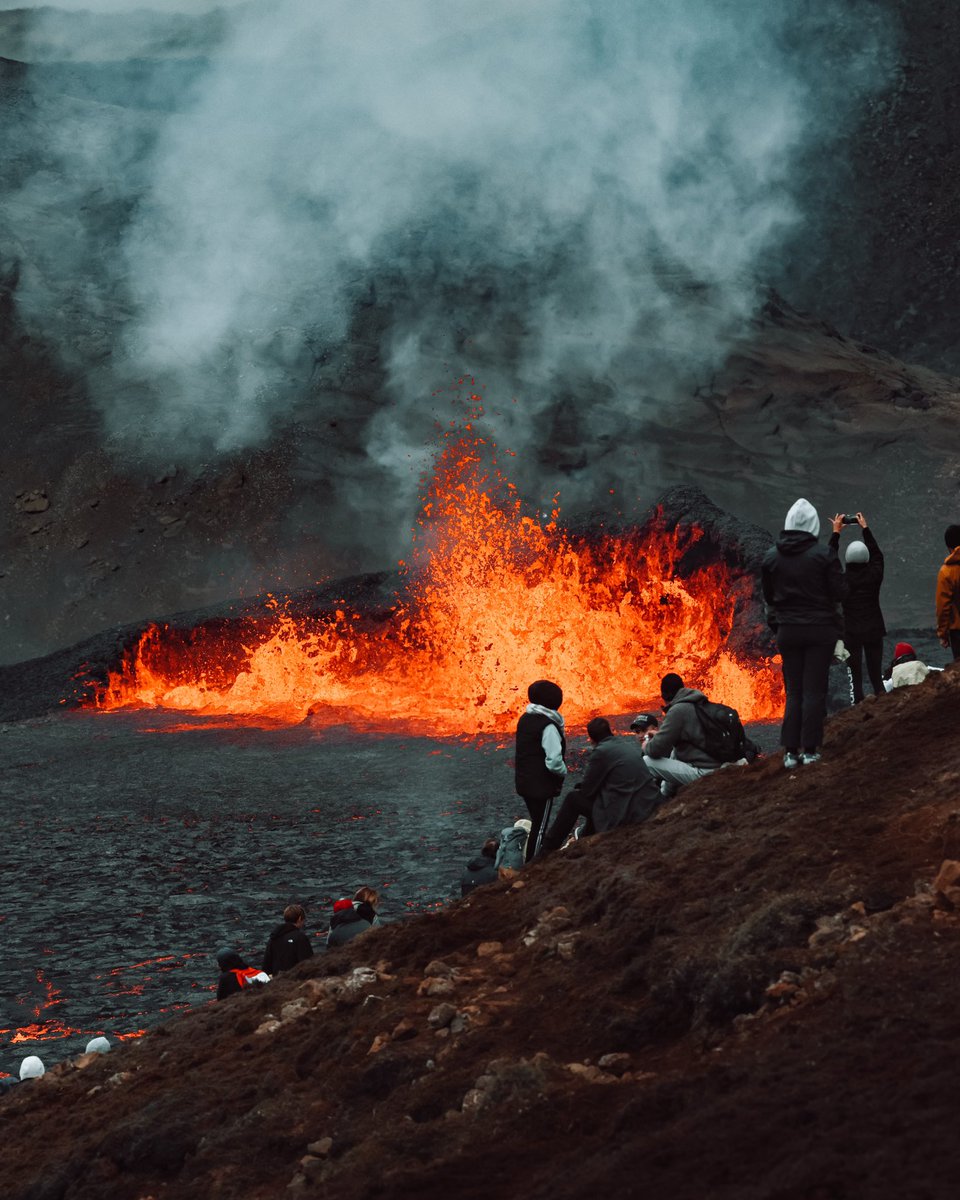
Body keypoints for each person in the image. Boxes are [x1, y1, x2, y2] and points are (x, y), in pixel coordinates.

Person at [761, 499, 848, 768]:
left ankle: (790, 752)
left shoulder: (771, 557)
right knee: (813, 691)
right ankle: (810, 750)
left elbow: (769, 598)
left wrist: (779, 624)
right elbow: (840, 592)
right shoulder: (823, 556)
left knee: (794, 691)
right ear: (812, 525)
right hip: (819, 630)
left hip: (788, 631)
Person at [540, 717, 660, 854]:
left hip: (627, 813)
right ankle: (585, 838)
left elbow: (587, 791)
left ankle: (546, 851)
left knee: (573, 799)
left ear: (592, 739)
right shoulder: (623, 746)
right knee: (597, 800)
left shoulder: (601, 752)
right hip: (645, 805)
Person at [642, 674, 724, 796]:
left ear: (664, 696)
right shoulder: (699, 702)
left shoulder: (678, 710)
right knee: (676, 751)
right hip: (722, 766)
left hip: (705, 772)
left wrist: (646, 744)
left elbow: (655, 750)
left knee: (647, 761)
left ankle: (652, 801)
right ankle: (666, 794)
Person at [832, 512, 885, 701]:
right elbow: (878, 556)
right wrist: (865, 528)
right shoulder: (874, 576)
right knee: (876, 678)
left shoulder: (843, 581)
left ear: (847, 559)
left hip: (851, 633)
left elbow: (829, 562)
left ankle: (859, 715)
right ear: (866, 559)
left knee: (856, 680)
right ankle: (886, 711)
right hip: (874, 630)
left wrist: (836, 533)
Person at [514, 679, 567, 861]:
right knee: (541, 825)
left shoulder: (525, 718)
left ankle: (532, 858)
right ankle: (533, 864)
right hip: (540, 786)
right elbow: (553, 760)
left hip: (525, 781)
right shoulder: (549, 726)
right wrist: (563, 772)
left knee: (537, 822)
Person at [262, 903, 314, 975]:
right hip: (294, 981)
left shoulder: (274, 937)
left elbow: (266, 966)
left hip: (277, 981)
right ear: (299, 919)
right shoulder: (300, 938)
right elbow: (308, 965)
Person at [936, 524, 960, 659]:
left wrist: (943, 634)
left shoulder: (947, 572)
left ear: (949, 547)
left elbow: (943, 607)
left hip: (958, 631)